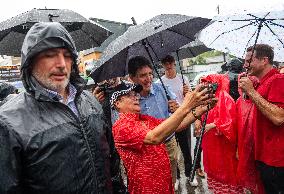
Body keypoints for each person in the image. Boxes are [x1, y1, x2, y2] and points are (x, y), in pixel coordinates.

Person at [0, 22, 113, 193]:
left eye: (67, 55)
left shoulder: (91, 103)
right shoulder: (8, 122)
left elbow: (111, 166)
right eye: (50, 55)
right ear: (30, 62)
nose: (61, 64)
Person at [111, 81, 216, 194]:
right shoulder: (121, 126)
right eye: (129, 95)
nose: (136, 97)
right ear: (117, 103)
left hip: (163, 182)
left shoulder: (143, 119)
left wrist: (201, 109)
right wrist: (187, 105)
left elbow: (175, 126)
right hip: (147, 188)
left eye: (135, 94)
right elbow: (155, 138)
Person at [128, 56, 180, 187]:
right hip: (147, 150)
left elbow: (177, 112)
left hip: (169, 144)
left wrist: (176, 108)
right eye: (143, 75)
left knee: (170, 182)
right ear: (132, 78)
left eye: (150, 74)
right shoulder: (129, 99)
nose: (148, 79)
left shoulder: (162, 89)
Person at [239, 44, 284, 194]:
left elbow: (279, 117)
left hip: (276, 160)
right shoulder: (262, 82)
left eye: (249, 61)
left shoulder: (278, 80)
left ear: (264, 60)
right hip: (263, 156)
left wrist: (251, 92)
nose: (245, 65)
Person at [159, 55, 198, 187]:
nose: (168, 65)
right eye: (165, 63)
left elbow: (191, 98)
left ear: (174, 63)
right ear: (162, 65)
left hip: (184, 118)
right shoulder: (160, 82)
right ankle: (175, 178)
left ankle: (190, 175)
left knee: (186, 149)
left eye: (170, 62)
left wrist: (188, 92)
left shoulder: (183, 78)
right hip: (169, 121)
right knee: (172, 154)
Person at [200, 74, 243, 194]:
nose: (207, 85)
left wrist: (213, 125)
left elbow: (231, 122)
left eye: (209, 82)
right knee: (214, 170)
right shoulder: (207, 99)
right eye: (206, 83)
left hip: (223, 146)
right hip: (210, 144)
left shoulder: (226, 99)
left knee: (226, 171)